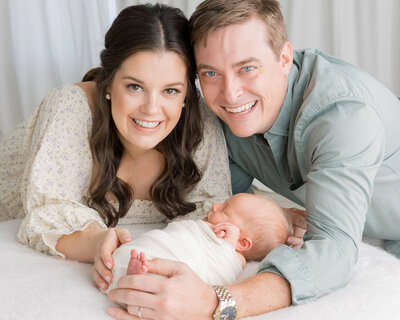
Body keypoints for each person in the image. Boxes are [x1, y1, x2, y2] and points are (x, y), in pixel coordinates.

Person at [105, 1, 400, 319]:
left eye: (247, 68)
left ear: (284, 58)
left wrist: (214, 302)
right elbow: (219, 205)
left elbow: (335, 251)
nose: (230, 95)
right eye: (211, 73)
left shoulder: (343, 115)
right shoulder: (224, 122)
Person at [0, 3, 234, 294]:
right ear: (108, 83)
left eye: (170, 90)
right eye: (135, 87)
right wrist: (97, 242)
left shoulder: (199, 121)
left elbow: (212, 212)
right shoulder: (70, 107)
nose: (151, 109)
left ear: (187, 94)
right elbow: (46, 217)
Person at [105, 193, 305, 297]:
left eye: (225, 211)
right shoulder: (205, 227)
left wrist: (226, 245)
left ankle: (140, 277)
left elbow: (219, 275)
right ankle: (136, 271)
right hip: (164, 244)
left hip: (175, 260)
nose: (215, 206)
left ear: (242, 242)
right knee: (151, 246)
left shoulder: (235, 259)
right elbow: (180, 231)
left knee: (166, 269)